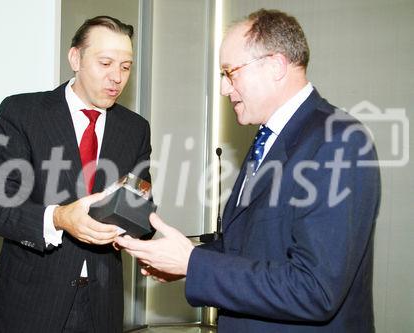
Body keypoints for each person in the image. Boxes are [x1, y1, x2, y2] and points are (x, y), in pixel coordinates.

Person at [116, 9, 380, 332]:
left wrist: (193, 263)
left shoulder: (340, 141)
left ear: (276, 66)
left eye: (230, 73)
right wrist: (183, 260)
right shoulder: (266, 139)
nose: (225, 89)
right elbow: (247, 244)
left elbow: (316, 290)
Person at [0, 16, 151, 333]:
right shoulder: (22, 113)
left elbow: (139, 206)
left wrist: (133, 227)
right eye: (105, 63)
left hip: (102, 306)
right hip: (29, 303)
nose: (117, 77)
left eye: (126, 67)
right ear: (75, 58)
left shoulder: (135, 129)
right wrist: (59, 218)